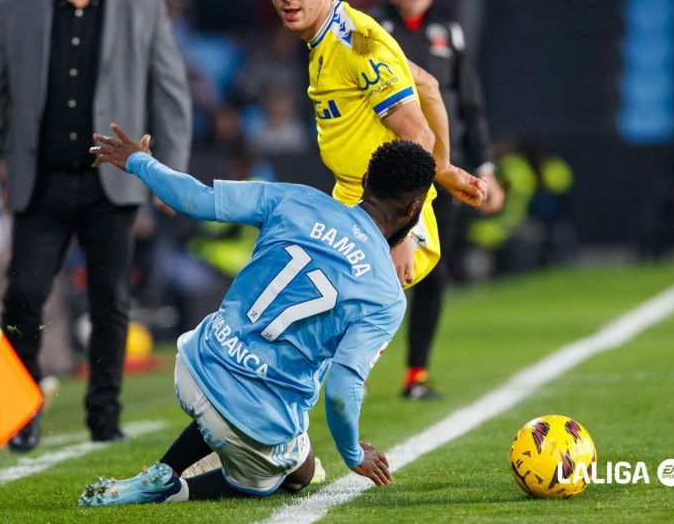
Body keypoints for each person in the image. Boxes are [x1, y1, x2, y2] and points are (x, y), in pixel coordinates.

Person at [78, 125, 436, 506]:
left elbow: (196, 199)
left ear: (365, 181)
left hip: (195, 364)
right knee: (301, 475)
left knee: (264, 424)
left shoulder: (296, 198)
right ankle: (172, 489)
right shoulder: (386, 294)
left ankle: (167, 466)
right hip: (252, 420)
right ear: (414, 209)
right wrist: (354, 455)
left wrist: (138, 161)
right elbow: (340, 393)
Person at [0, 0, 191, 452]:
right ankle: (22, 412)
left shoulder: (146, 8)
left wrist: (170, 176)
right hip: (39, 182)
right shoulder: (16, 8)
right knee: (22, 296)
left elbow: (172, 97)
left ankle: (104, 416)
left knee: (110, 300)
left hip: (112, 183)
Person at [263, 0, 487, 293]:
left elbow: (418, 134)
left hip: (386, 224)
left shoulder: (355, 44)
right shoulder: (329, 38)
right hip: (355, 213)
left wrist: (401, 237)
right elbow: (427, 85)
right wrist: (443, 169)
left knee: (302, 327)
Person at [373, 0, 505, 399]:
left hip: (441, 176)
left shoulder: (449, 32)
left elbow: (471, 105)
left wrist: (484, 166)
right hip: (386, 177)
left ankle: (416, 375)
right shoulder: (374, 30)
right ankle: (361, 369)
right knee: (373, 270)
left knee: (431, 271)